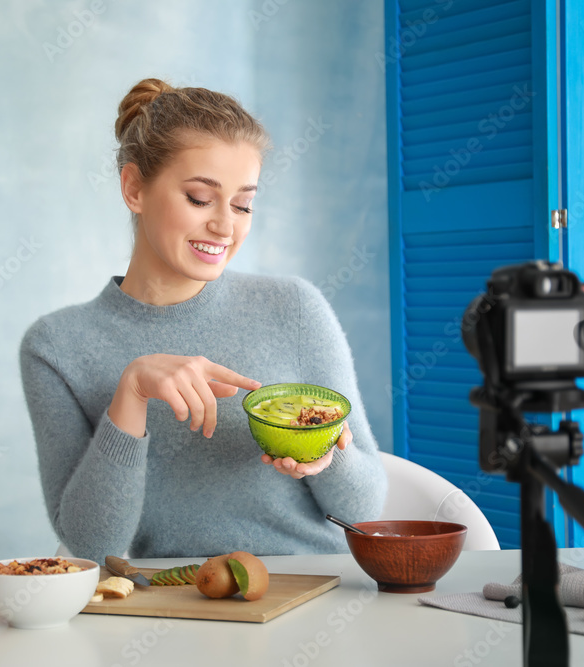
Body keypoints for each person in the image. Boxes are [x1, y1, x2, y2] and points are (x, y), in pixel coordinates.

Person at [20, 78, 386, 563]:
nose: (225, 225)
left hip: (312, 593)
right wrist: (131, 393)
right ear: (134, 188)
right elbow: (91, 546)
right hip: (167, 610)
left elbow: (366, 510)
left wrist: (327, 460)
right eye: (199, 198)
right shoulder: (57, 347)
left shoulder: (294, 307)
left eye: (243, 204)